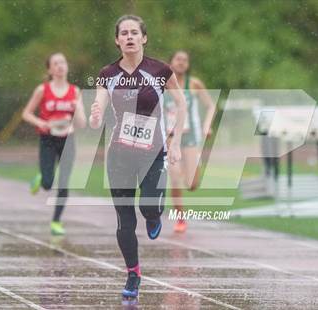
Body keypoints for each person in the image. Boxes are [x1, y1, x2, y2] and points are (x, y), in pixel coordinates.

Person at [89, 15, 187, 301]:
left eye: (135, 33)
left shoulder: (160, 70)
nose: (129, 37)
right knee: (124, 221)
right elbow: (99, 109)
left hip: (153, 153)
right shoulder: (107, 74)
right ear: (117, 40)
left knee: (148, 208)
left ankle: (155, 213)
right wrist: (95, 116)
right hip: (119, 155)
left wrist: (177, 141)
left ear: (144, 38)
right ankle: (133, 273)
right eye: (124, 33)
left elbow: (181, 104)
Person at [22, 52, 86, 235]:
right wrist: (40, 123)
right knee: (49, 183)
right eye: (56, 63)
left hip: (68, 140)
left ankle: (56, 221)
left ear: (67, 66)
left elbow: (82, 123)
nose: (60, 66)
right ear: (50, 69)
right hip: (48, 139)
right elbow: (26, 113)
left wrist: (77, 107)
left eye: (63, 62)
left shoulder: (75, 91)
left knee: (64, 183)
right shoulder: (42, 90)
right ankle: (42, 178)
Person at [164, 50, 216, 233]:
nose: (181, 63)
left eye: (185, 60)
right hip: (170, 138)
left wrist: (206, 126)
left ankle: (191, 168)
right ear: (170, 62)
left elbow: (210, 106)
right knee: (175, 178)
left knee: (192, 184)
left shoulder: (194, 84)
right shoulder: (163, 85)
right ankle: (180, 219)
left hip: (191, 136)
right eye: (178, 59)